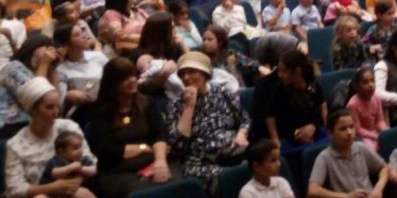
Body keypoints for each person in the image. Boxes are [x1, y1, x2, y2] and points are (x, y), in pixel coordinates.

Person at [86, 57, 173, 198]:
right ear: (112, 83)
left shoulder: (148, 103)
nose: (132, 80)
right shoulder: (100, 111)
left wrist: (160, 161)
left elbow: (159, 134)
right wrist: (144, 148)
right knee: (147, 193)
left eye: (133, 75)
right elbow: (106, 150)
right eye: (125, 78)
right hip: (117, 172)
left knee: (177, 184)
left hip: (151, 162)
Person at [169, 51, 250, 193]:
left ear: (205, 74)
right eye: (182, 74)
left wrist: (241, 134)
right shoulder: (177, 104)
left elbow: (244, 119)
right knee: (230, 177)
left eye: (191, 72)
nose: (186, 77)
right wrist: (189, 107)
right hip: (200, 163)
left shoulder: (222, 92)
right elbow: (178, 146)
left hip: (233, 152)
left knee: (259, 164)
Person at [4, 77, 95, 198]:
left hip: (72, 191)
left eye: (57, 106)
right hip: (38, 195)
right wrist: (52, 188)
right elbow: (15, 189)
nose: (56, 111)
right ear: (32, 110)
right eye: (49, 107)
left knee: (82, 194)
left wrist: (74, 181)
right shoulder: (16, 145)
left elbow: (91, 162)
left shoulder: (69, 128)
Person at [0, 35, 58, 158]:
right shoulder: (14, 67)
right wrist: (44, 64)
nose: (50, 51)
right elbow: (36, 96)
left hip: (29, 126)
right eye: (46, 47)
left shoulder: (44, 73)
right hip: (2, 126)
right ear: (33, 48)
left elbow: (55, 103)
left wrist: (52, 68)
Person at [307, 109, 390, 198]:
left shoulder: (360, 147)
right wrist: (347, 196)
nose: (349, 132)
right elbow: (313, 191)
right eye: (343, 129)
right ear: (330, 134)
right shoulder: (324, 157)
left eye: (351, 127)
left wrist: (378, 188)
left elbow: (384, 167)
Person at [267, 49, 327, 154]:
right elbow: (270, 117)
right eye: (279, 71)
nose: (280, 75)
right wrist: (277, 139)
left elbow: (322, 109)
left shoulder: (313, 85)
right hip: (290, 137)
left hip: (314, 131)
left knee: (333, 139)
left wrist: (313, 126)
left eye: (284, 71)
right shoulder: (280, 90)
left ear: (297, 71)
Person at [38, 131, 97, 198]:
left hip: (73, 191)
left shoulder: (83, 159)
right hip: (52, 193)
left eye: (80, 147)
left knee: (84, 193)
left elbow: (94, 170)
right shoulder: (56, 160)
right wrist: (71, 167)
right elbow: (55, 173)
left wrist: (81, 169)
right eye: (75, 148)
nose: (80, 150)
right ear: (61, 152)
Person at [346, 66, 386, 153]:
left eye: (372, 81)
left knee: (391, 138)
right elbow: (358, 129)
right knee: (371, 149)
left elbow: (380, 120)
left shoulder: (376, 98)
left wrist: (384, 132)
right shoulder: (352, 105)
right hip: (363, 136)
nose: (371, 85)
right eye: (365, 82)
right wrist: (375, 136)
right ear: (356, 86)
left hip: (376, 131)